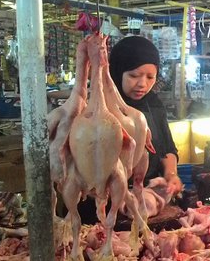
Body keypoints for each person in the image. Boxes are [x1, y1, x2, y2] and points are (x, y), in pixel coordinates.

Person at [77, 36, 183, 224]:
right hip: (103, 209)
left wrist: (171, 175)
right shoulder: (97, 109)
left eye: (150, 77)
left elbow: (167, 149)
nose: (143, 84)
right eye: (134, 75)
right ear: (118, 71)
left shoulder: (153, 104)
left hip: (147, 200)